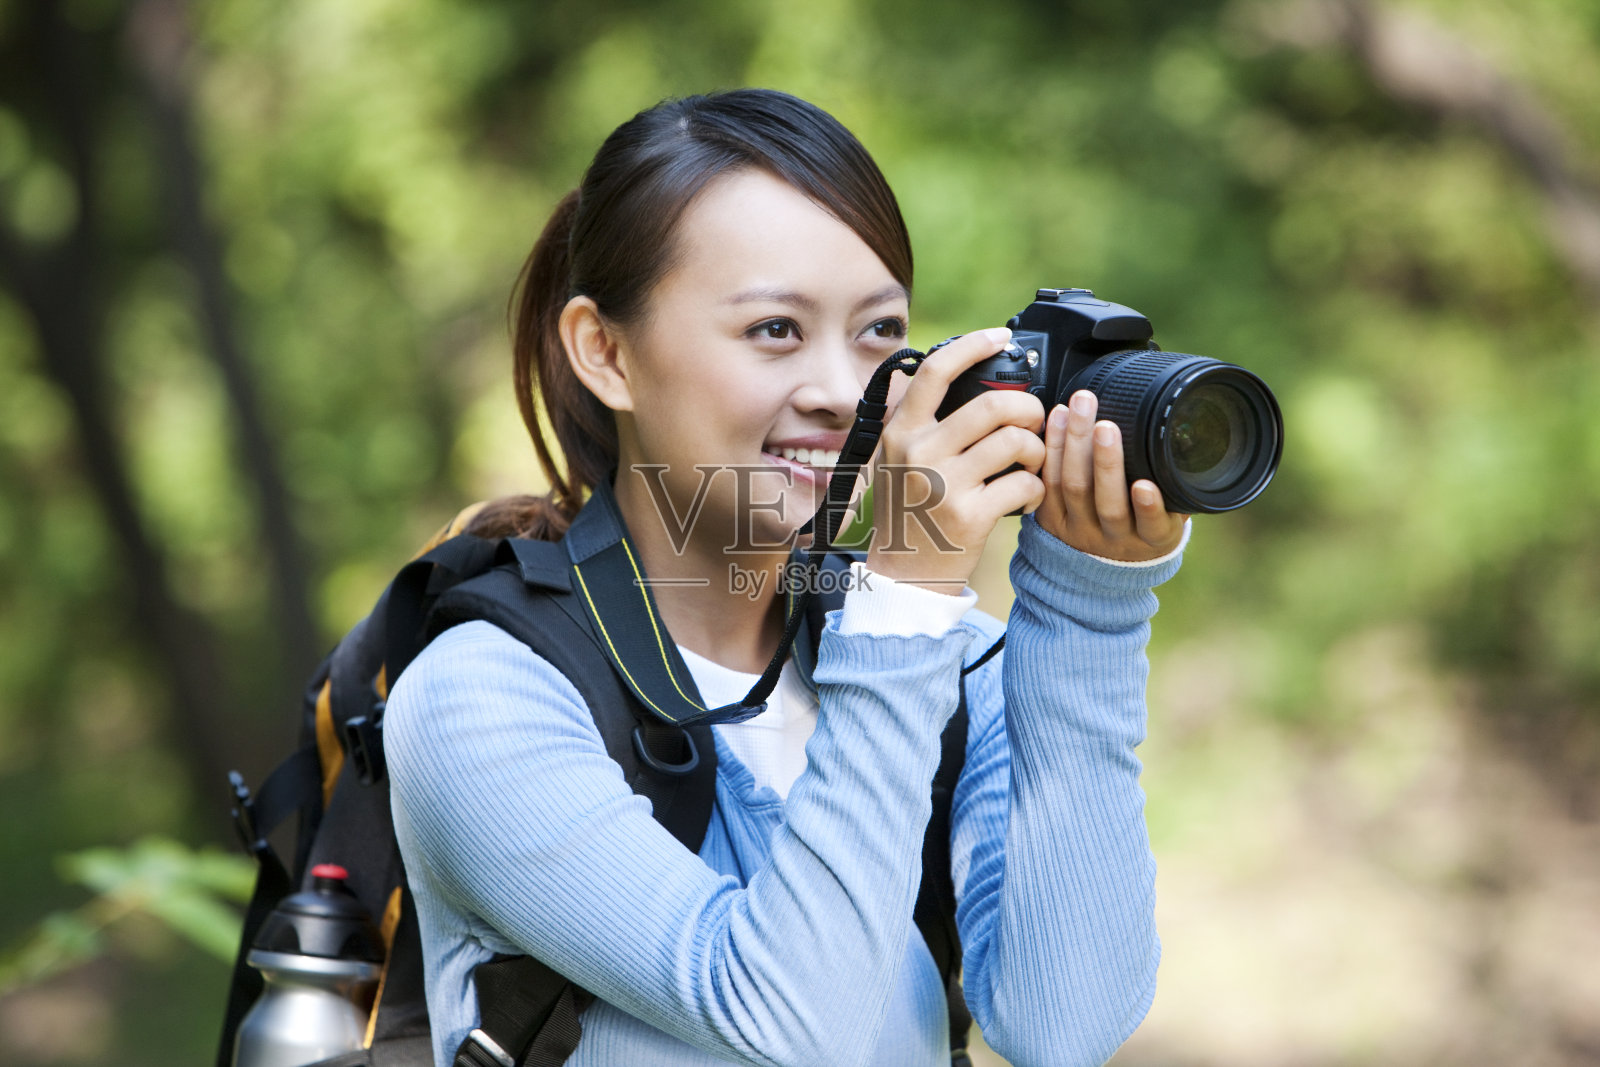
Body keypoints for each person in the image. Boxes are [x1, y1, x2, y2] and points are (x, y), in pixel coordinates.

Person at [383, 88, 1190, 1067]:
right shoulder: (482, 698)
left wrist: (1088, 605)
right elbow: (795, 1025)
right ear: (605, 352)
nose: (843, 392)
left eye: (878, 331)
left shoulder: (952, 661)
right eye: (774, 329)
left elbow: (1064, 1026)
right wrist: (903, 600)